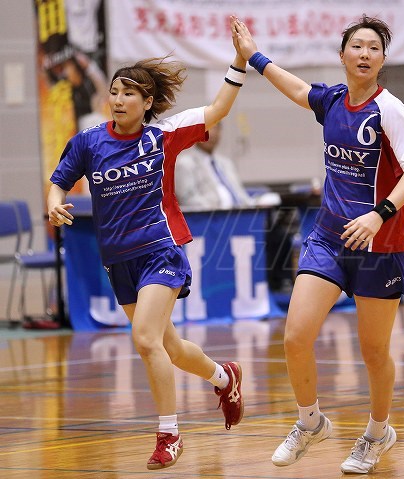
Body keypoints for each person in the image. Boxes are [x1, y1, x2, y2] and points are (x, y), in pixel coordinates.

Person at [46, 17, 248, 470]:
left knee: (143, 339)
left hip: (161, 250)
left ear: (148, 102)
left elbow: (218, 108)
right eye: (114, 91)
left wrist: (239, 60)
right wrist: (55, 203)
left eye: (129, 93)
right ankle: (224, 377)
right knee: (169, 347)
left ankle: (169, 435)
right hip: (118, 260)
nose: (118, 99)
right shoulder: (88, 142)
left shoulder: (163, 136)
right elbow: (58, 182)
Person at [235, 15, 404, 474]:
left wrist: (378, 215)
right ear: (342, 55)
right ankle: (310, 422)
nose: (365, 54)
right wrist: (253, 56)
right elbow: (298, 89)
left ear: (382, 60)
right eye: (357, 46)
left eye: (374, 48)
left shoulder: (391, 111)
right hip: (328, 239)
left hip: (381, 246)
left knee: (374, 352)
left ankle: (377, 433)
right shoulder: (333, 101)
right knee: (296, 336)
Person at [175, 121, 255, 210]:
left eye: (215, 128)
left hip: (242, 213)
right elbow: (188, 201)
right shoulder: (185, 164)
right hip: (212, 215)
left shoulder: (226, 163)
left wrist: (256, 203)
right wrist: (218, 210)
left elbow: (241, 195)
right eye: (206, 128)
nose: (211, 133)